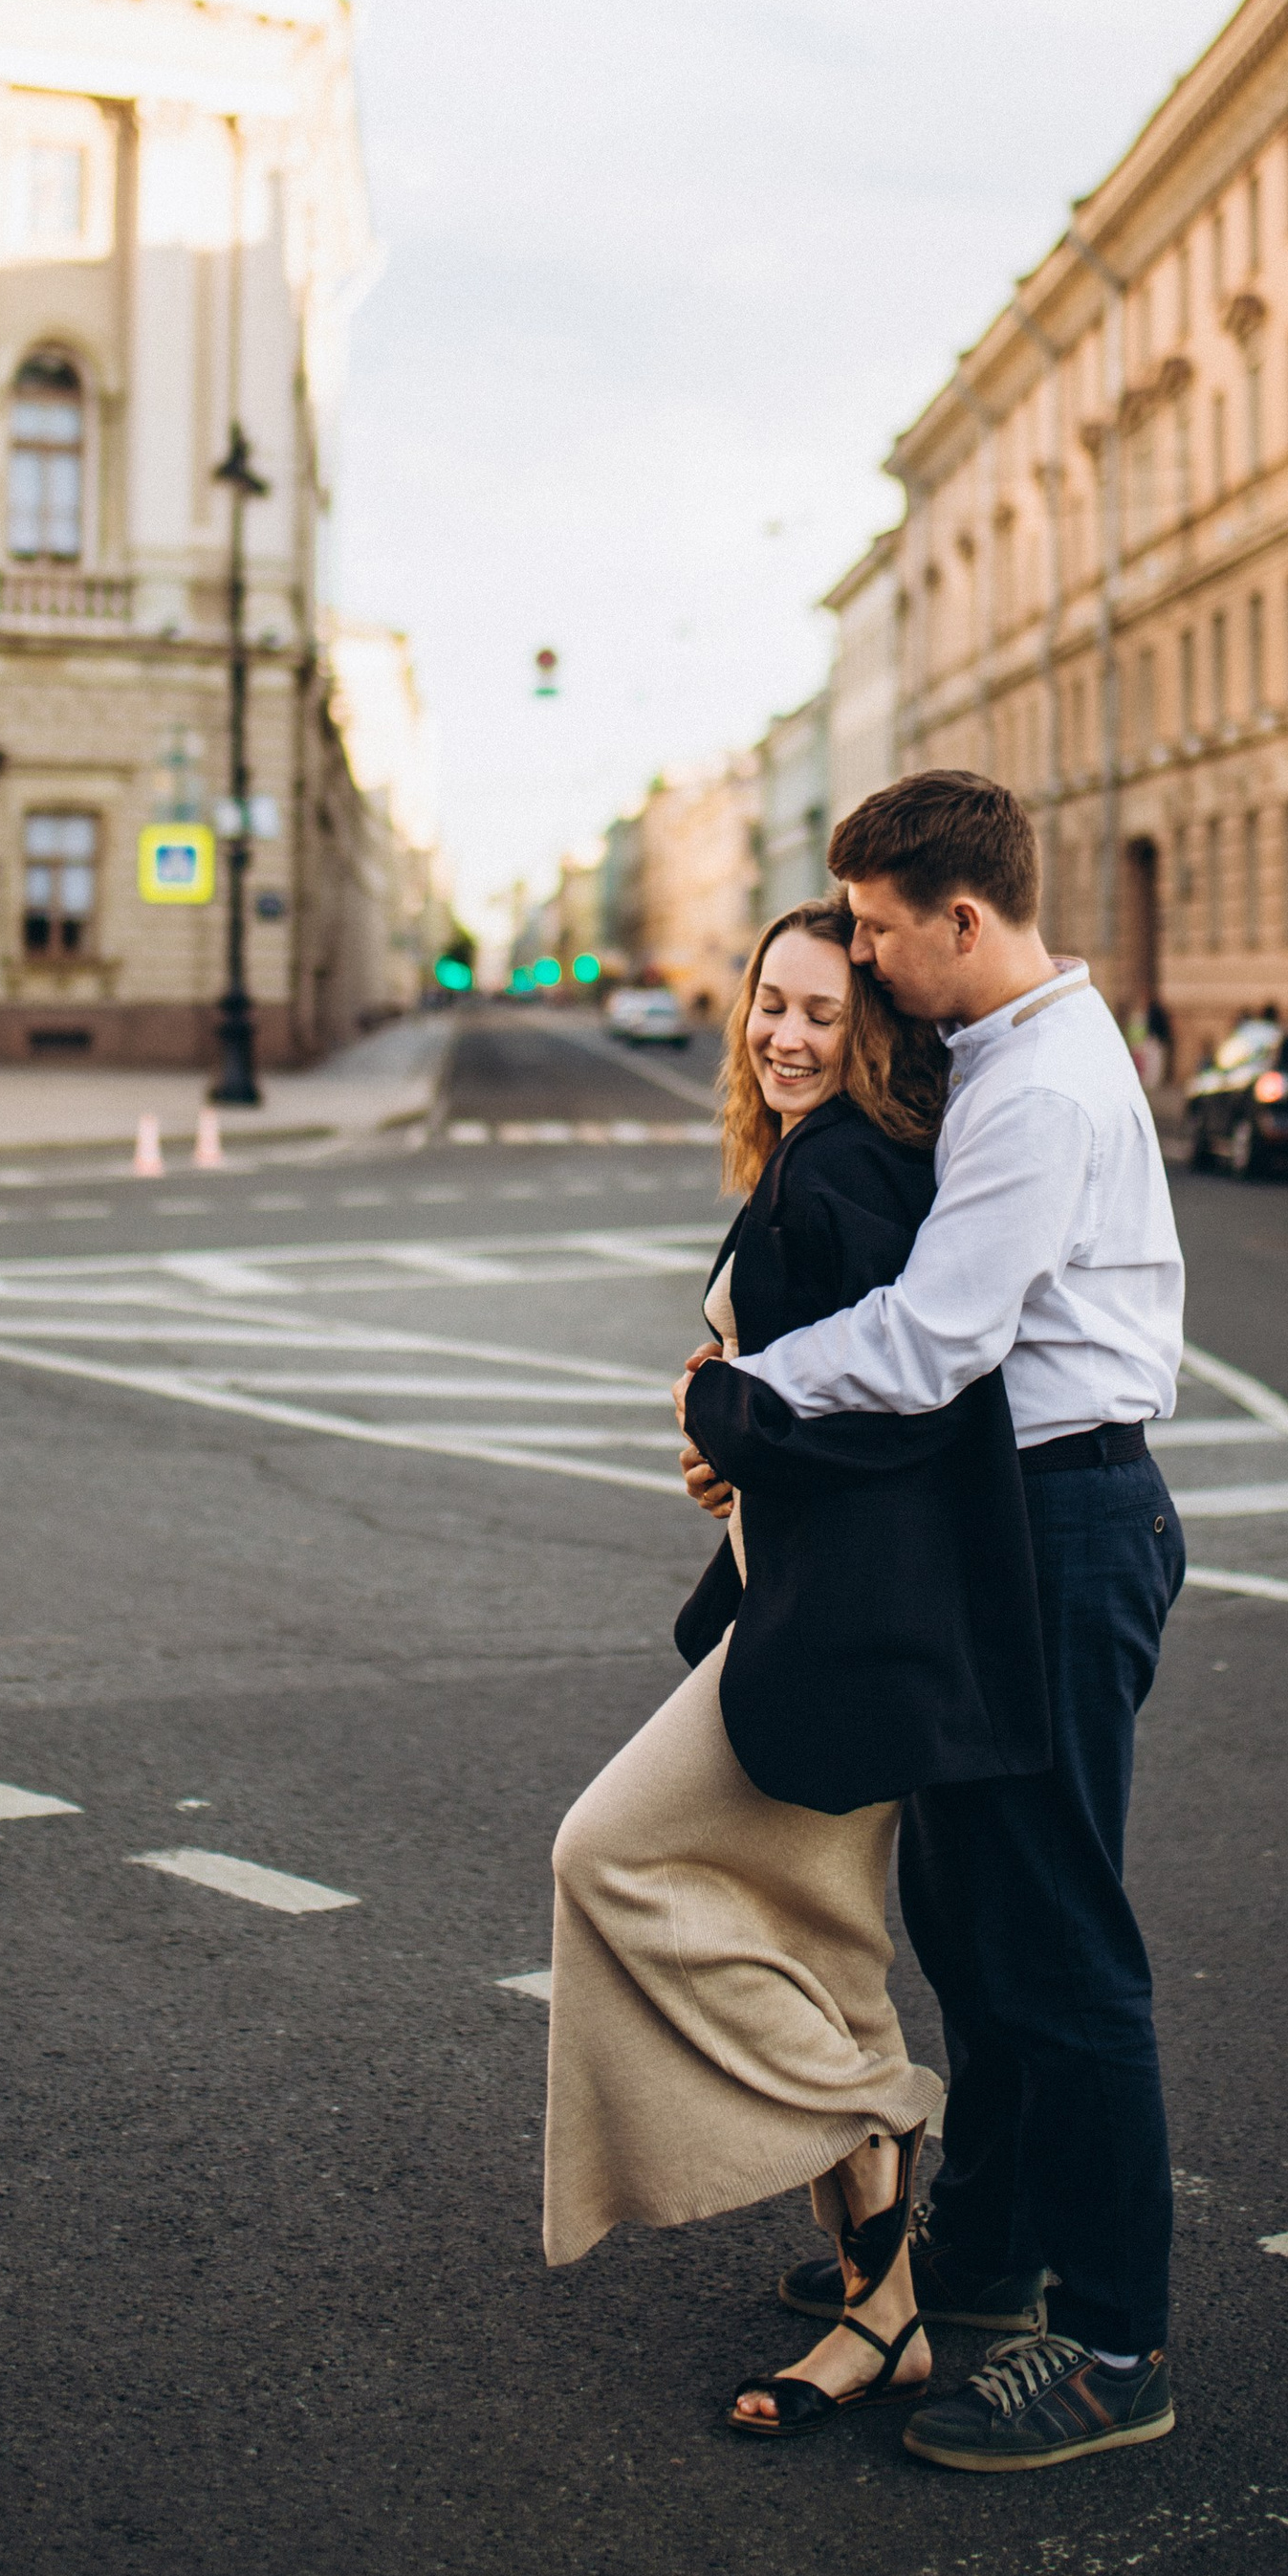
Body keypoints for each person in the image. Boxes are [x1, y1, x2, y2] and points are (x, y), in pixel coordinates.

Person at [680, 771, 1188, 2477]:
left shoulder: (1038, 1087)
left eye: (883, 932)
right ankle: (979, 2263)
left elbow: (937, 1333)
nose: (871, 962)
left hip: (1063, 1522)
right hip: (1014, 1524)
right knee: (975, 1926)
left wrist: (746, 1394)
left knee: (1057, 1943)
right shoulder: (1006, 1053)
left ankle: (1117, 2343)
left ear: (960, 919)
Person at [544, 899, 1051, 2438]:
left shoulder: (838, 1177)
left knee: (611, 1853)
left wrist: (726, 1424)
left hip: (844, 1635)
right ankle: (882, 2311)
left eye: (822, 1013)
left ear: (873, 1029)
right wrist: (737, 1462)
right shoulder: (834, 1162)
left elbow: (892, 1415)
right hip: (839, 1624)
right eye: (768, 1003)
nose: (782, 1034)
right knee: (821, 1947)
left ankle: (885, 2131)